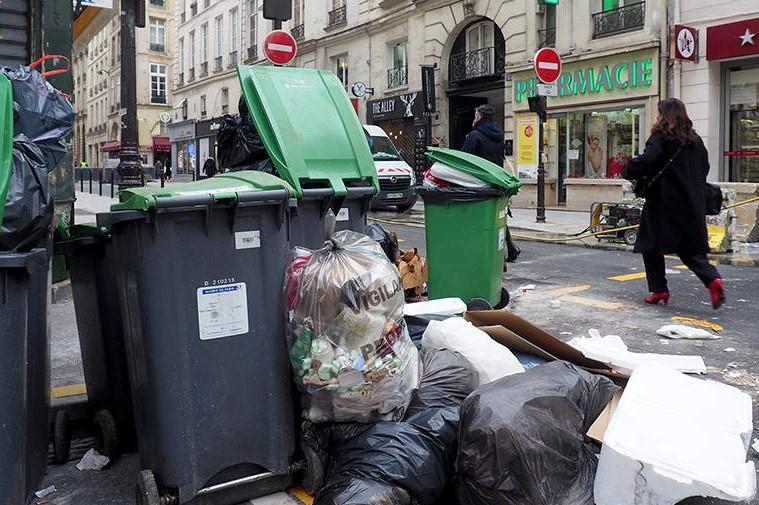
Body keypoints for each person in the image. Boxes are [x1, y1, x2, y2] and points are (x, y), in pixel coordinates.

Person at [623, 98, 725, 309]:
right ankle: (712, 278)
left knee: (650, 244)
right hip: (692, 203)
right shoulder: (696, 141)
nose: (657, 116)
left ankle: (659, 289)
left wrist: (629, 168)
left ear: (665, 115)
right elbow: (704, 168)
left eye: (659, 113)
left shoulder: (660, 137)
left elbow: (649, 160)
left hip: (663, 203)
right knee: (689, 249)